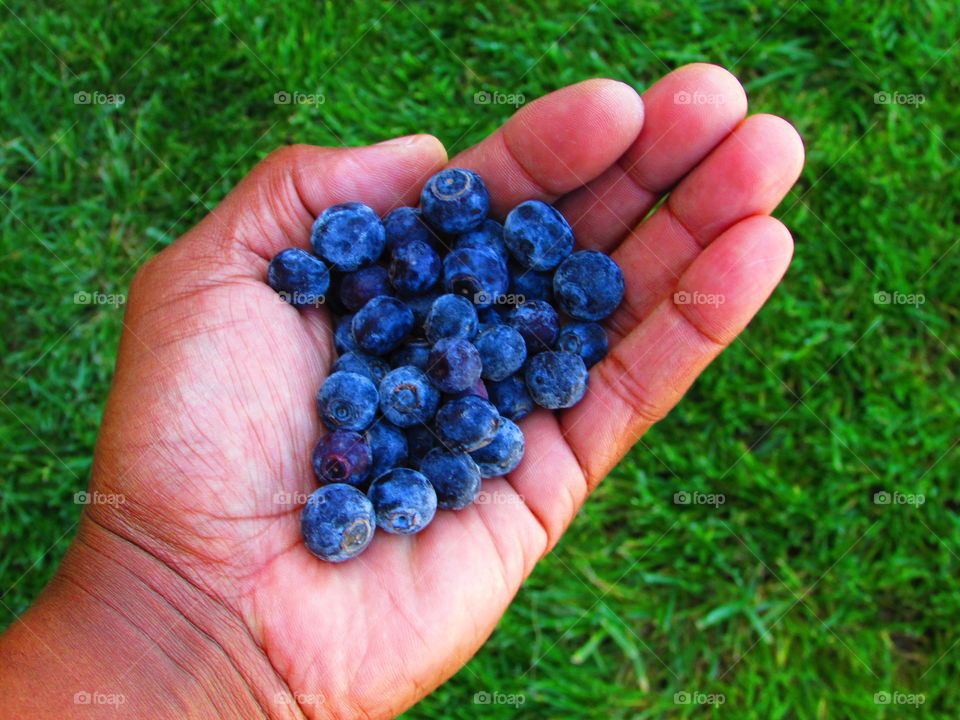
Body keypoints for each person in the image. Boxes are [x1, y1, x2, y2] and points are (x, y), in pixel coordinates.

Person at [0, 64, 803, 718]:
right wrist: (183, 597)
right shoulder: (386, 367)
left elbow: (468, 368)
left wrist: (196, 628)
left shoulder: (476, 358)